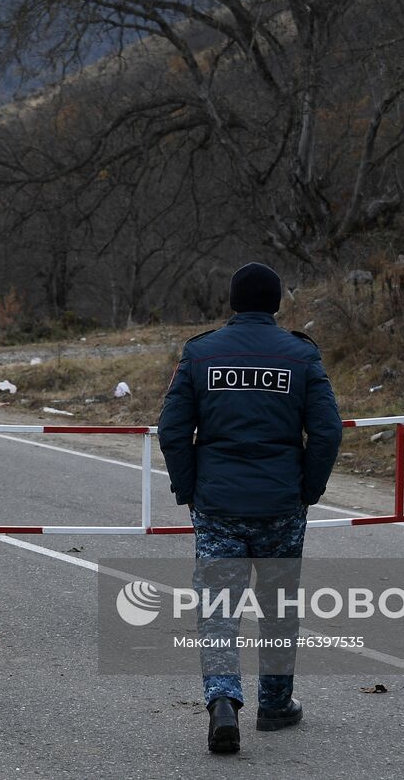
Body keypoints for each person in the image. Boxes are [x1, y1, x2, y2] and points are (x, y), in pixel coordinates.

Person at [158, 262, 342, 754]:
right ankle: (276, 705)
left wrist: (190, 489)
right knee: (279, 607)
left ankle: (222, 699)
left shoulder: (200, 353)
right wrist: (309, 488)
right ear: (277, 303)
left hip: (218, 503)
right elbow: (327, 430)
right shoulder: (301, 356)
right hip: (282, 502)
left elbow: (172, 430)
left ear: (234, 302)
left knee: (218, 608)